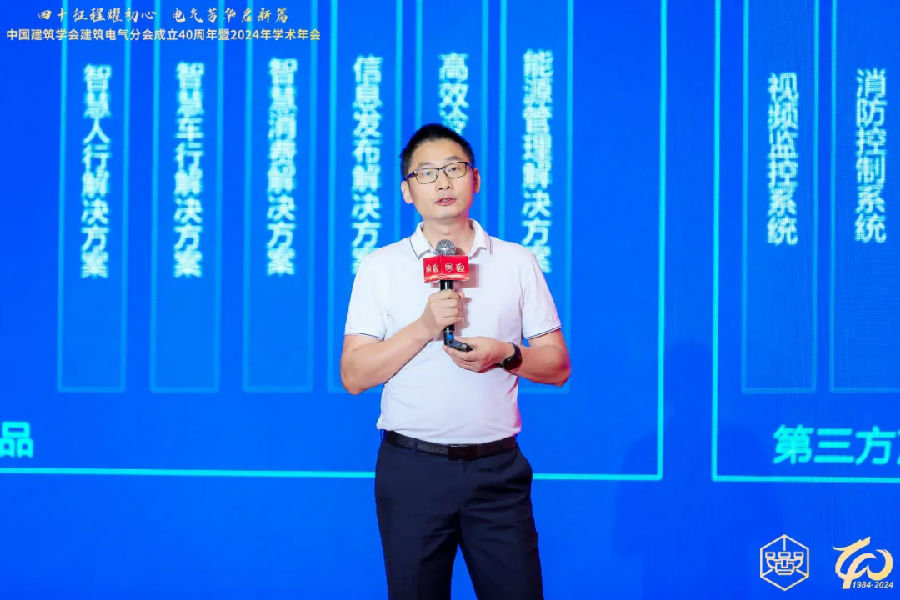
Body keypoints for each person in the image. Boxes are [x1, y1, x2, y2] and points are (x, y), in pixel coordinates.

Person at [341, 123, 571, 600]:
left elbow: (557, 366)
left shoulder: (516, 261)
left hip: (497, 471)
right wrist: (425, 326)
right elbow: (355, 376)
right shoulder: (381, 267)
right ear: (407, 191)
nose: (443, 182)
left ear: (476, 179)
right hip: (413, 471)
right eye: (426, 173)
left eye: (454, 169)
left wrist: (506, 354)